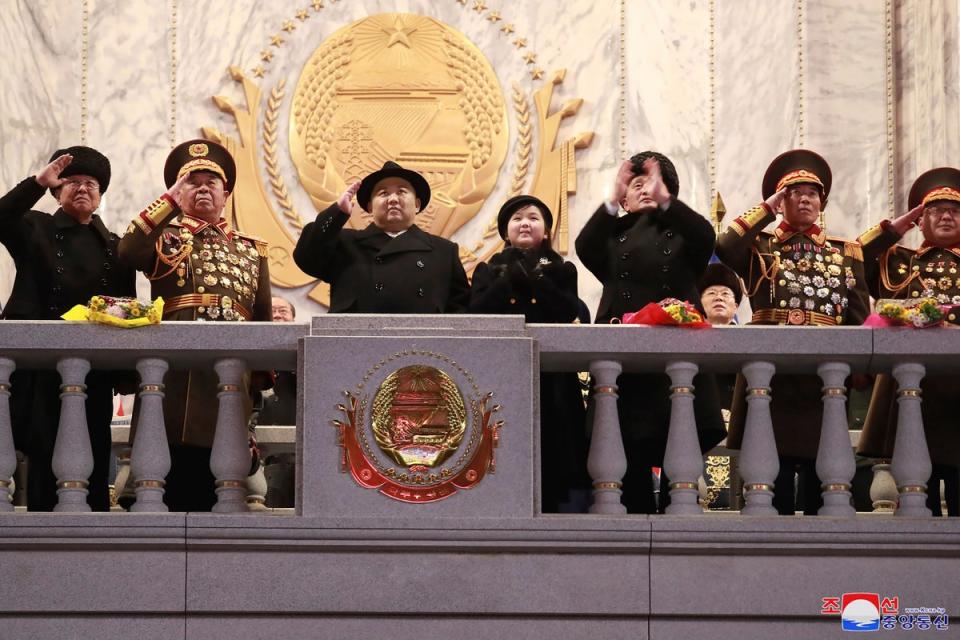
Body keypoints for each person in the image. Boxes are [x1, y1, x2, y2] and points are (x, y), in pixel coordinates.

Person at [118, 139, 271, 511]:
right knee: (167, 484)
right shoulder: (166, 238)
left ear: (226, 193)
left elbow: (263, 317)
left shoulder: (252, 249)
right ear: (178, 191)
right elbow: (127, 252)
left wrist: (259, 385)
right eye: (192, 182)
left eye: (211, 182)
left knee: (220, 493)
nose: (203, 188)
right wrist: (167, 202)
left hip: (229, 381)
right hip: (177, 383)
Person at [716, 149, 870, 515]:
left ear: (822, 203)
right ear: (781, 201)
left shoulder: (846, 252)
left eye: (812, 193)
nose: (804, 198)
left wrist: (863, 368)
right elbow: (724, 246)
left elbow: (859, 316)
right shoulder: (760, 248)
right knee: (772, 475)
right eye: (793, 192)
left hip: (824, 376)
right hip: (773, 373)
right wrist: (766, 208)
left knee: (825, 475)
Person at [575, 152, 725, 513]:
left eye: (651, 184)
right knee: (624, 465)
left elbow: (706, 235)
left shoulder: (685, 234)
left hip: (674, 364)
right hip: (624, 366)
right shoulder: (612, 238)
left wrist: (668, 203)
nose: (643, 191)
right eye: (635, 185)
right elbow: (584, 247)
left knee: (680, 468)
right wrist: (610, 198)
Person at [0, 146, 136, 511]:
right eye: (72, 182)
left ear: (100, 194)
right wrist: (35, 182)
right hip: (42, 364)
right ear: (57, 192)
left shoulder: (117, 247)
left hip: (95, 369)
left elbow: (127, 306)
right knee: (45, 450)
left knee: (94, 445)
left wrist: (125, 374)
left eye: (90, 183)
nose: (81, 189)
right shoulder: (34, 228)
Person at [470, 195, 590, 511]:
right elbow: (477, 314)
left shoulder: (563, 270)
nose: (525, 223)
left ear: (546, 230)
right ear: (505, 231)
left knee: (557, 446)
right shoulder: (486, 270)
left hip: (554, 376)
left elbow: (566, 311)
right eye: (518, 218)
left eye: (533, 217)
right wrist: (509, 277)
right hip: (502, 376)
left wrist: (535, 278)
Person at [856, 167, 960, 516]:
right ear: (921, 219)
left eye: (955, 210)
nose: (946, 215)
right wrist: (894, 229)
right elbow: (852, 260)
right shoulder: (899, 262)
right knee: (917, 498)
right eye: (934, 210)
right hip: (911, 389)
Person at [293, 161, 470, 314]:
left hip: (423, 347)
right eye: (383, 193)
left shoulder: (444, 252)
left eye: (401, 192)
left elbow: (461, 310)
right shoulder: (344, 243)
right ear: (370, 207)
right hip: (355, 345)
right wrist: (337, 212)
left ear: (417, 204)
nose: (393, 199)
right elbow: (306, 256)